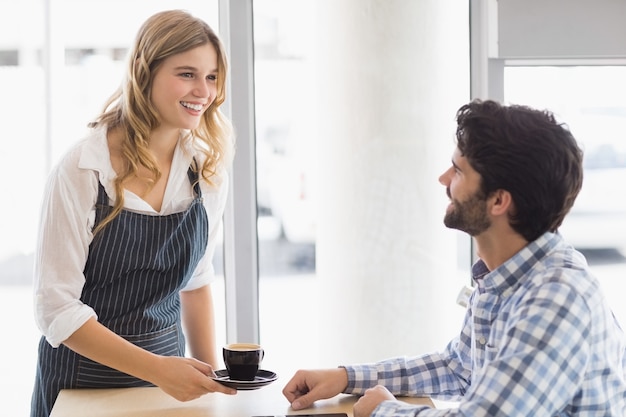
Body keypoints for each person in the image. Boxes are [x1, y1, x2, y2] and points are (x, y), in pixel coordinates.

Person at [282, 99, 626, 416]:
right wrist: (346, 377)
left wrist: (383, 411)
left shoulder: (558, 296)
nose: (443, 179)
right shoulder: (505, 278)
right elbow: (458, 367)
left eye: (458, 171)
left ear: (498, 201)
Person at [31, 10, 238, 417]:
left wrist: (212, 382)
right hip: (80, 387)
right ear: (144, 71)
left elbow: (196, 283)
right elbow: (56, 307)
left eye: (212, 76)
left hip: (171, 389)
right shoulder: (84, 170)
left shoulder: (205, 170)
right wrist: (159, 370)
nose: (204, 90)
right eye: (187, 74)